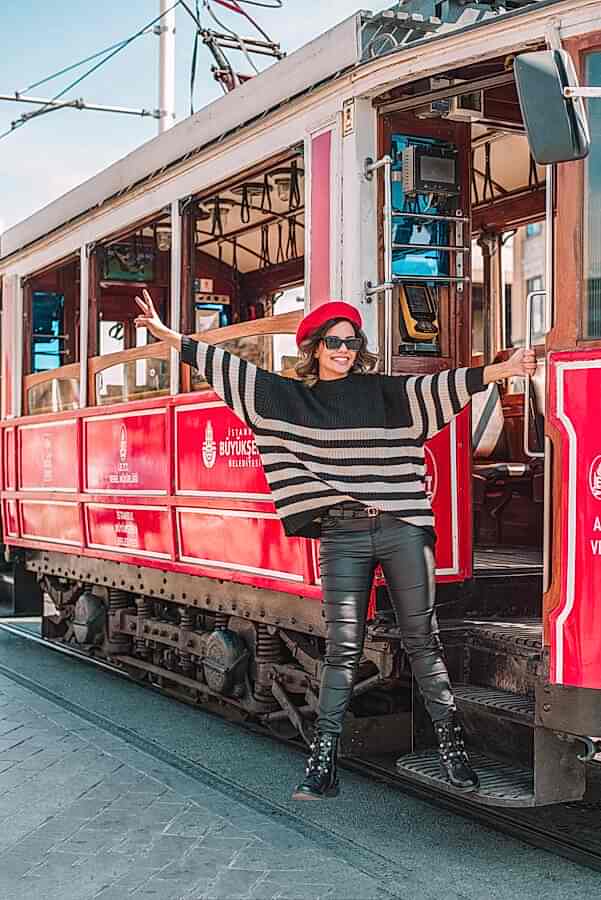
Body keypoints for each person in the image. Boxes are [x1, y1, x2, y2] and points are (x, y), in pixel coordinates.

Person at [135, 289, 537, 800]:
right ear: (315, 349)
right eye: (334, 342)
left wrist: (500, 373)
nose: (344, 350)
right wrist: (171, 337)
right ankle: (322, 764)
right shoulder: (290, 399)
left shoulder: (386, 394)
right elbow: (230, 370)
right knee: (343, 648)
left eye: (351, 341)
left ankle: (453, 751)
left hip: (401, 528)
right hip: (342, 534)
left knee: (422, 639)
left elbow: (442, 386)